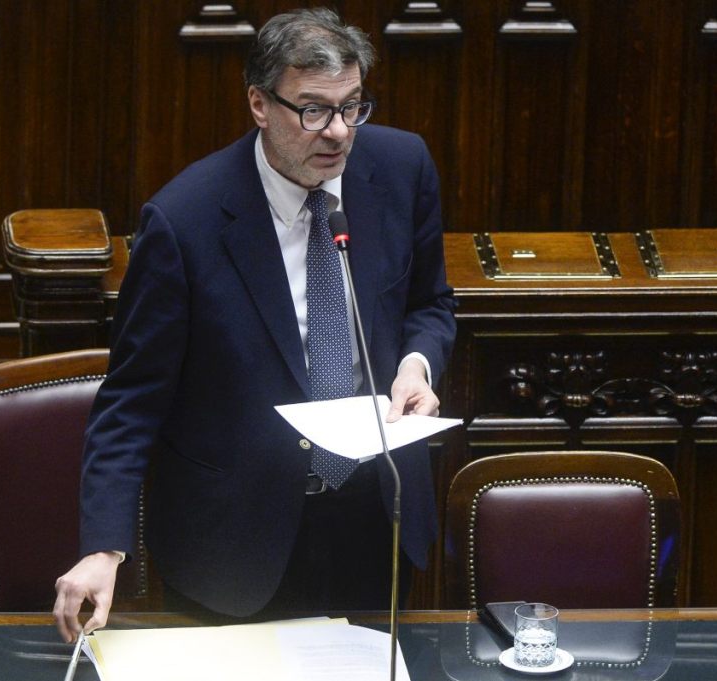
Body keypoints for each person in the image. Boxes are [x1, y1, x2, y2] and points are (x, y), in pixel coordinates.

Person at [53, 7, 456, 642]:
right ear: (259, 104)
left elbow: (429, 303)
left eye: (352, 106)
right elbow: (132, 399)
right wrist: (104, 546)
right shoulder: (184, 221)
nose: (338, 132)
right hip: (236, 541)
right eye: (313, 110)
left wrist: (416, 364)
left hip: (375, 518)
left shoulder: (402, 168)